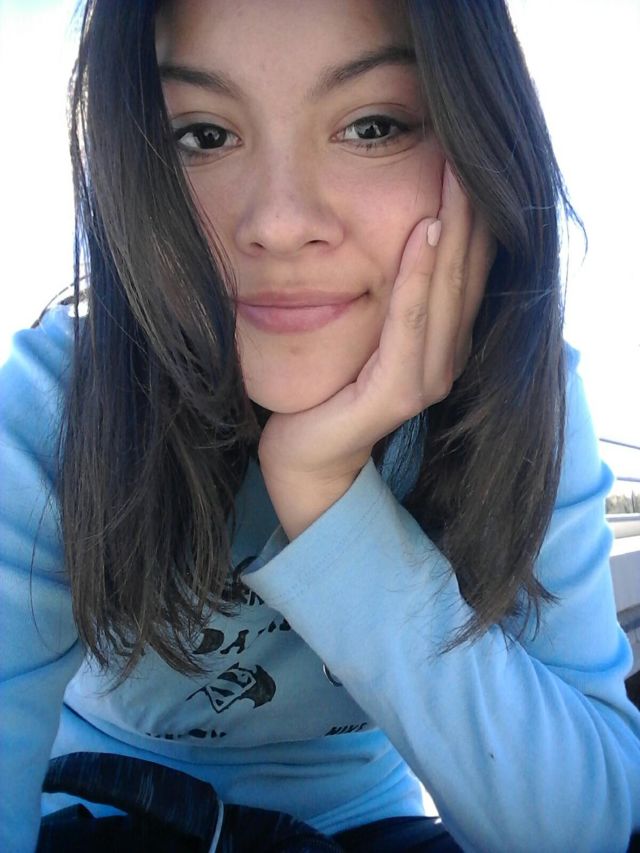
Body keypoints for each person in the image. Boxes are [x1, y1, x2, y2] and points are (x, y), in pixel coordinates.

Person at [1, 0, 639, 850]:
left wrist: (330, 497)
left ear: (481, 146)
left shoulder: (520, 398)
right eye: (202, 135)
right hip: (103, 801)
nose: (279, 223)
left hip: (365, 820)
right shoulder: (64, 398)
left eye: (373, 126)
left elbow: (588, 829)